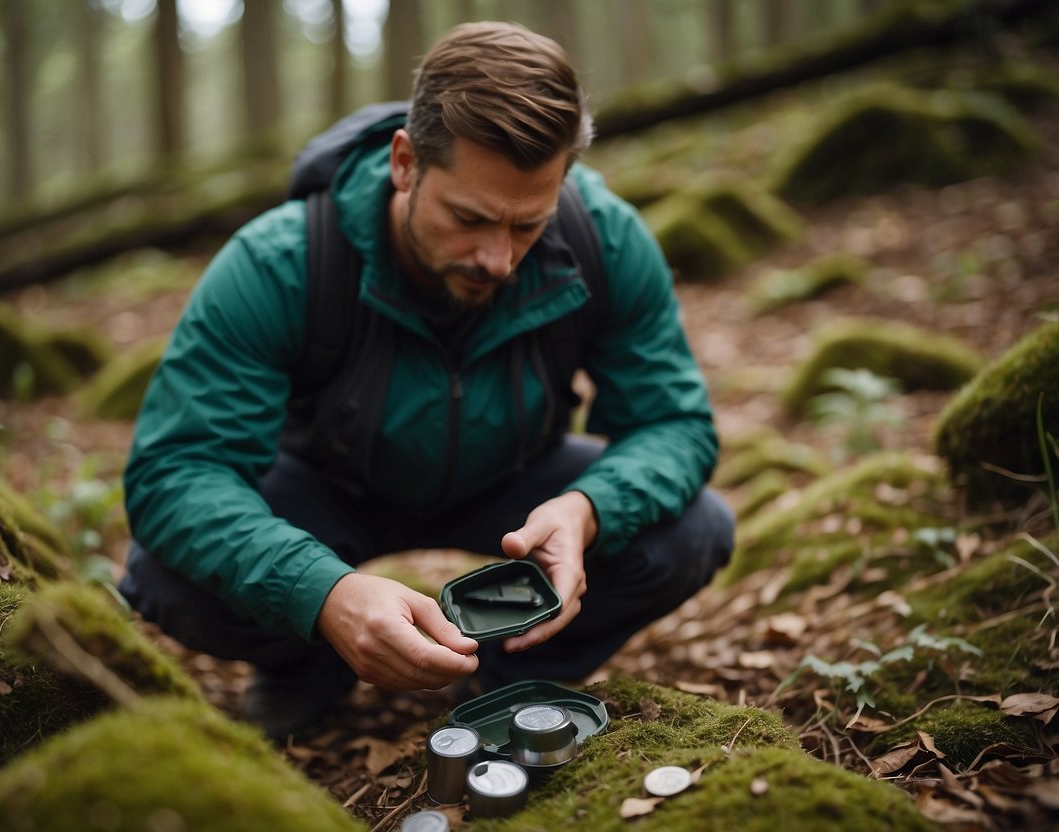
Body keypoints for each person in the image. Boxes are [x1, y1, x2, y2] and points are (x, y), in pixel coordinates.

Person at [119, 21, 734, 742]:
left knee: (694, 530)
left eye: (526, 226)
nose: (497, 258)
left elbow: (676, 424)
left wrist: (586, 510)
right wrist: (323, 594)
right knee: (167, 576)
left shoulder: (603, 240)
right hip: (328, 489)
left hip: (516, 483)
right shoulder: (279, 262)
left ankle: (510, 670)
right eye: (468, 219)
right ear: (405, 163)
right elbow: (175, 472)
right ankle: (308, 664)